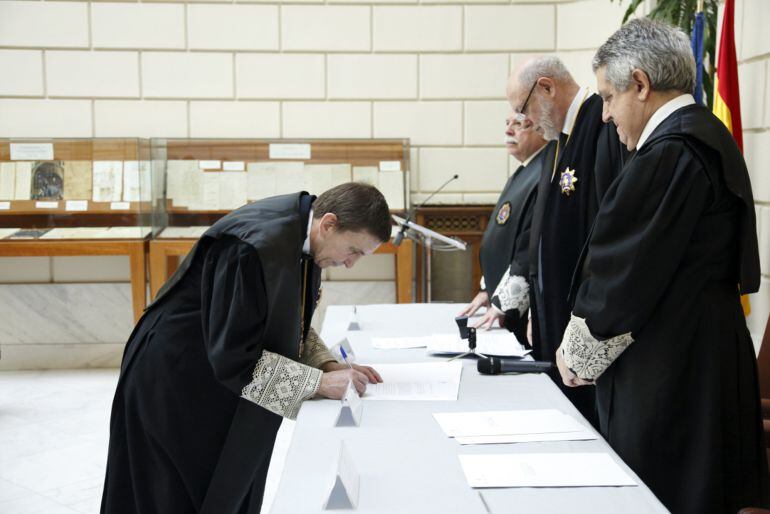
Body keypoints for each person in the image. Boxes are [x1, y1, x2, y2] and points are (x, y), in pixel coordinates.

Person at [556, 19, 769, 514]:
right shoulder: (698, 135)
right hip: (696, 347)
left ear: (641, 85)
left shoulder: (670, 152)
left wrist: (577, 355)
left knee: (662, 495)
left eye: (608, 98)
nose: (605, 116)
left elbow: (624, 270)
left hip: (674, 366)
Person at [101, 183, 391, 514]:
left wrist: (326, 364)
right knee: (177, 497)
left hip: (210, 371)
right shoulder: (255, 247)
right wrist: (317, 384)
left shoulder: (303, 236)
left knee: (228, 487)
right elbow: (234, 360)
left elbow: (282, 319)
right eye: (353, 250)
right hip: (174, 381)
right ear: (328, 223)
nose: (351, 264)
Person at [506, 57, 625, 422]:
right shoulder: (562, 137)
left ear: (546, 87)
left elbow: (606, 233)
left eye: (523, 109)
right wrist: (538, 311)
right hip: (553, 314)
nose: (524, 121)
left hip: (582, 322)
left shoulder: (598, 126)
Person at [459, 108, 552, 347]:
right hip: (502, 295)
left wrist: (503, 302)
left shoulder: (544, 170)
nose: (508, 130)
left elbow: (530, 244)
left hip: (522, 310)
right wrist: (489, 290)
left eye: (520, 124)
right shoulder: (525, 170)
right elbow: (503, 238)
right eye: (507, 122)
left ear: (543, 129)